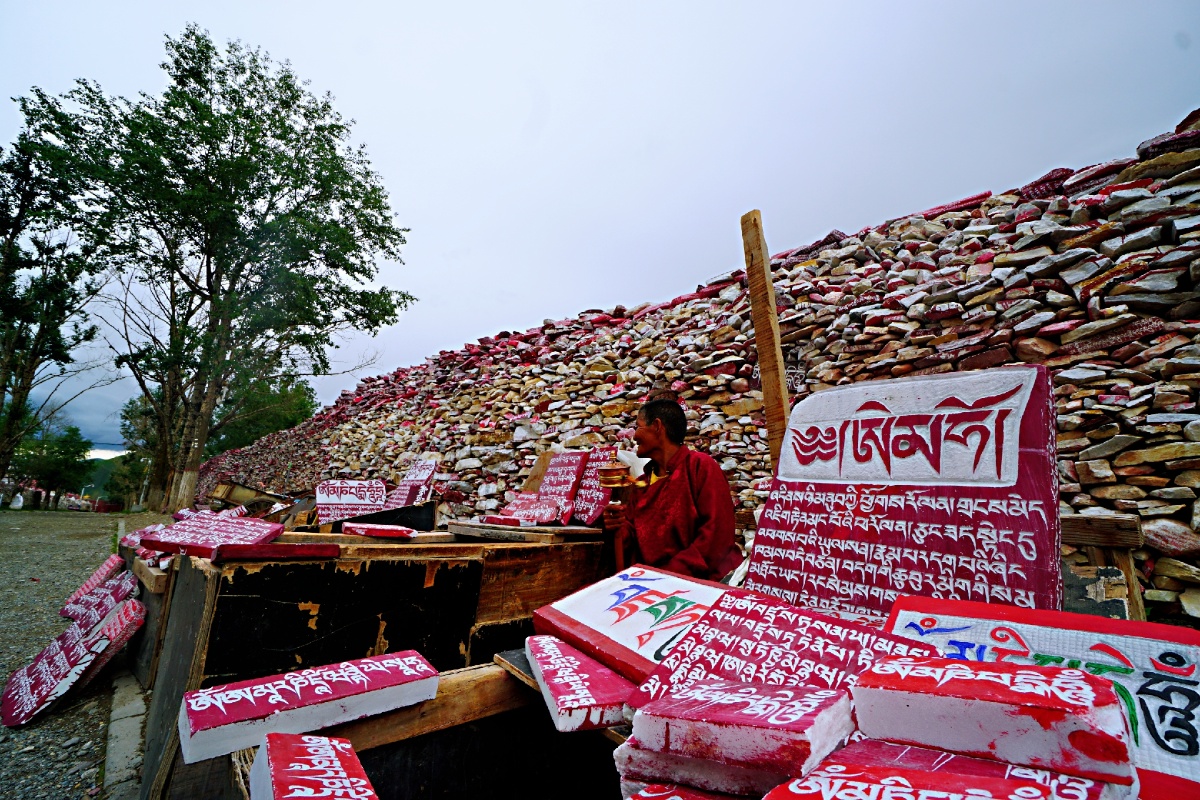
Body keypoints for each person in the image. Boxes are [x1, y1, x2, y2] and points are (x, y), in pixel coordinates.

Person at [603, 398, 740, 581]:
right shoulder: (643, 483)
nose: (634, 436)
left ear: (657, 426)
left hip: (701, 583)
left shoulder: (700, 467)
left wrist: (665, 577)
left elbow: (715, 538)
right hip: (652, 582)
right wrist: (616, 526)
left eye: (638, 427)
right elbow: (631, 539)